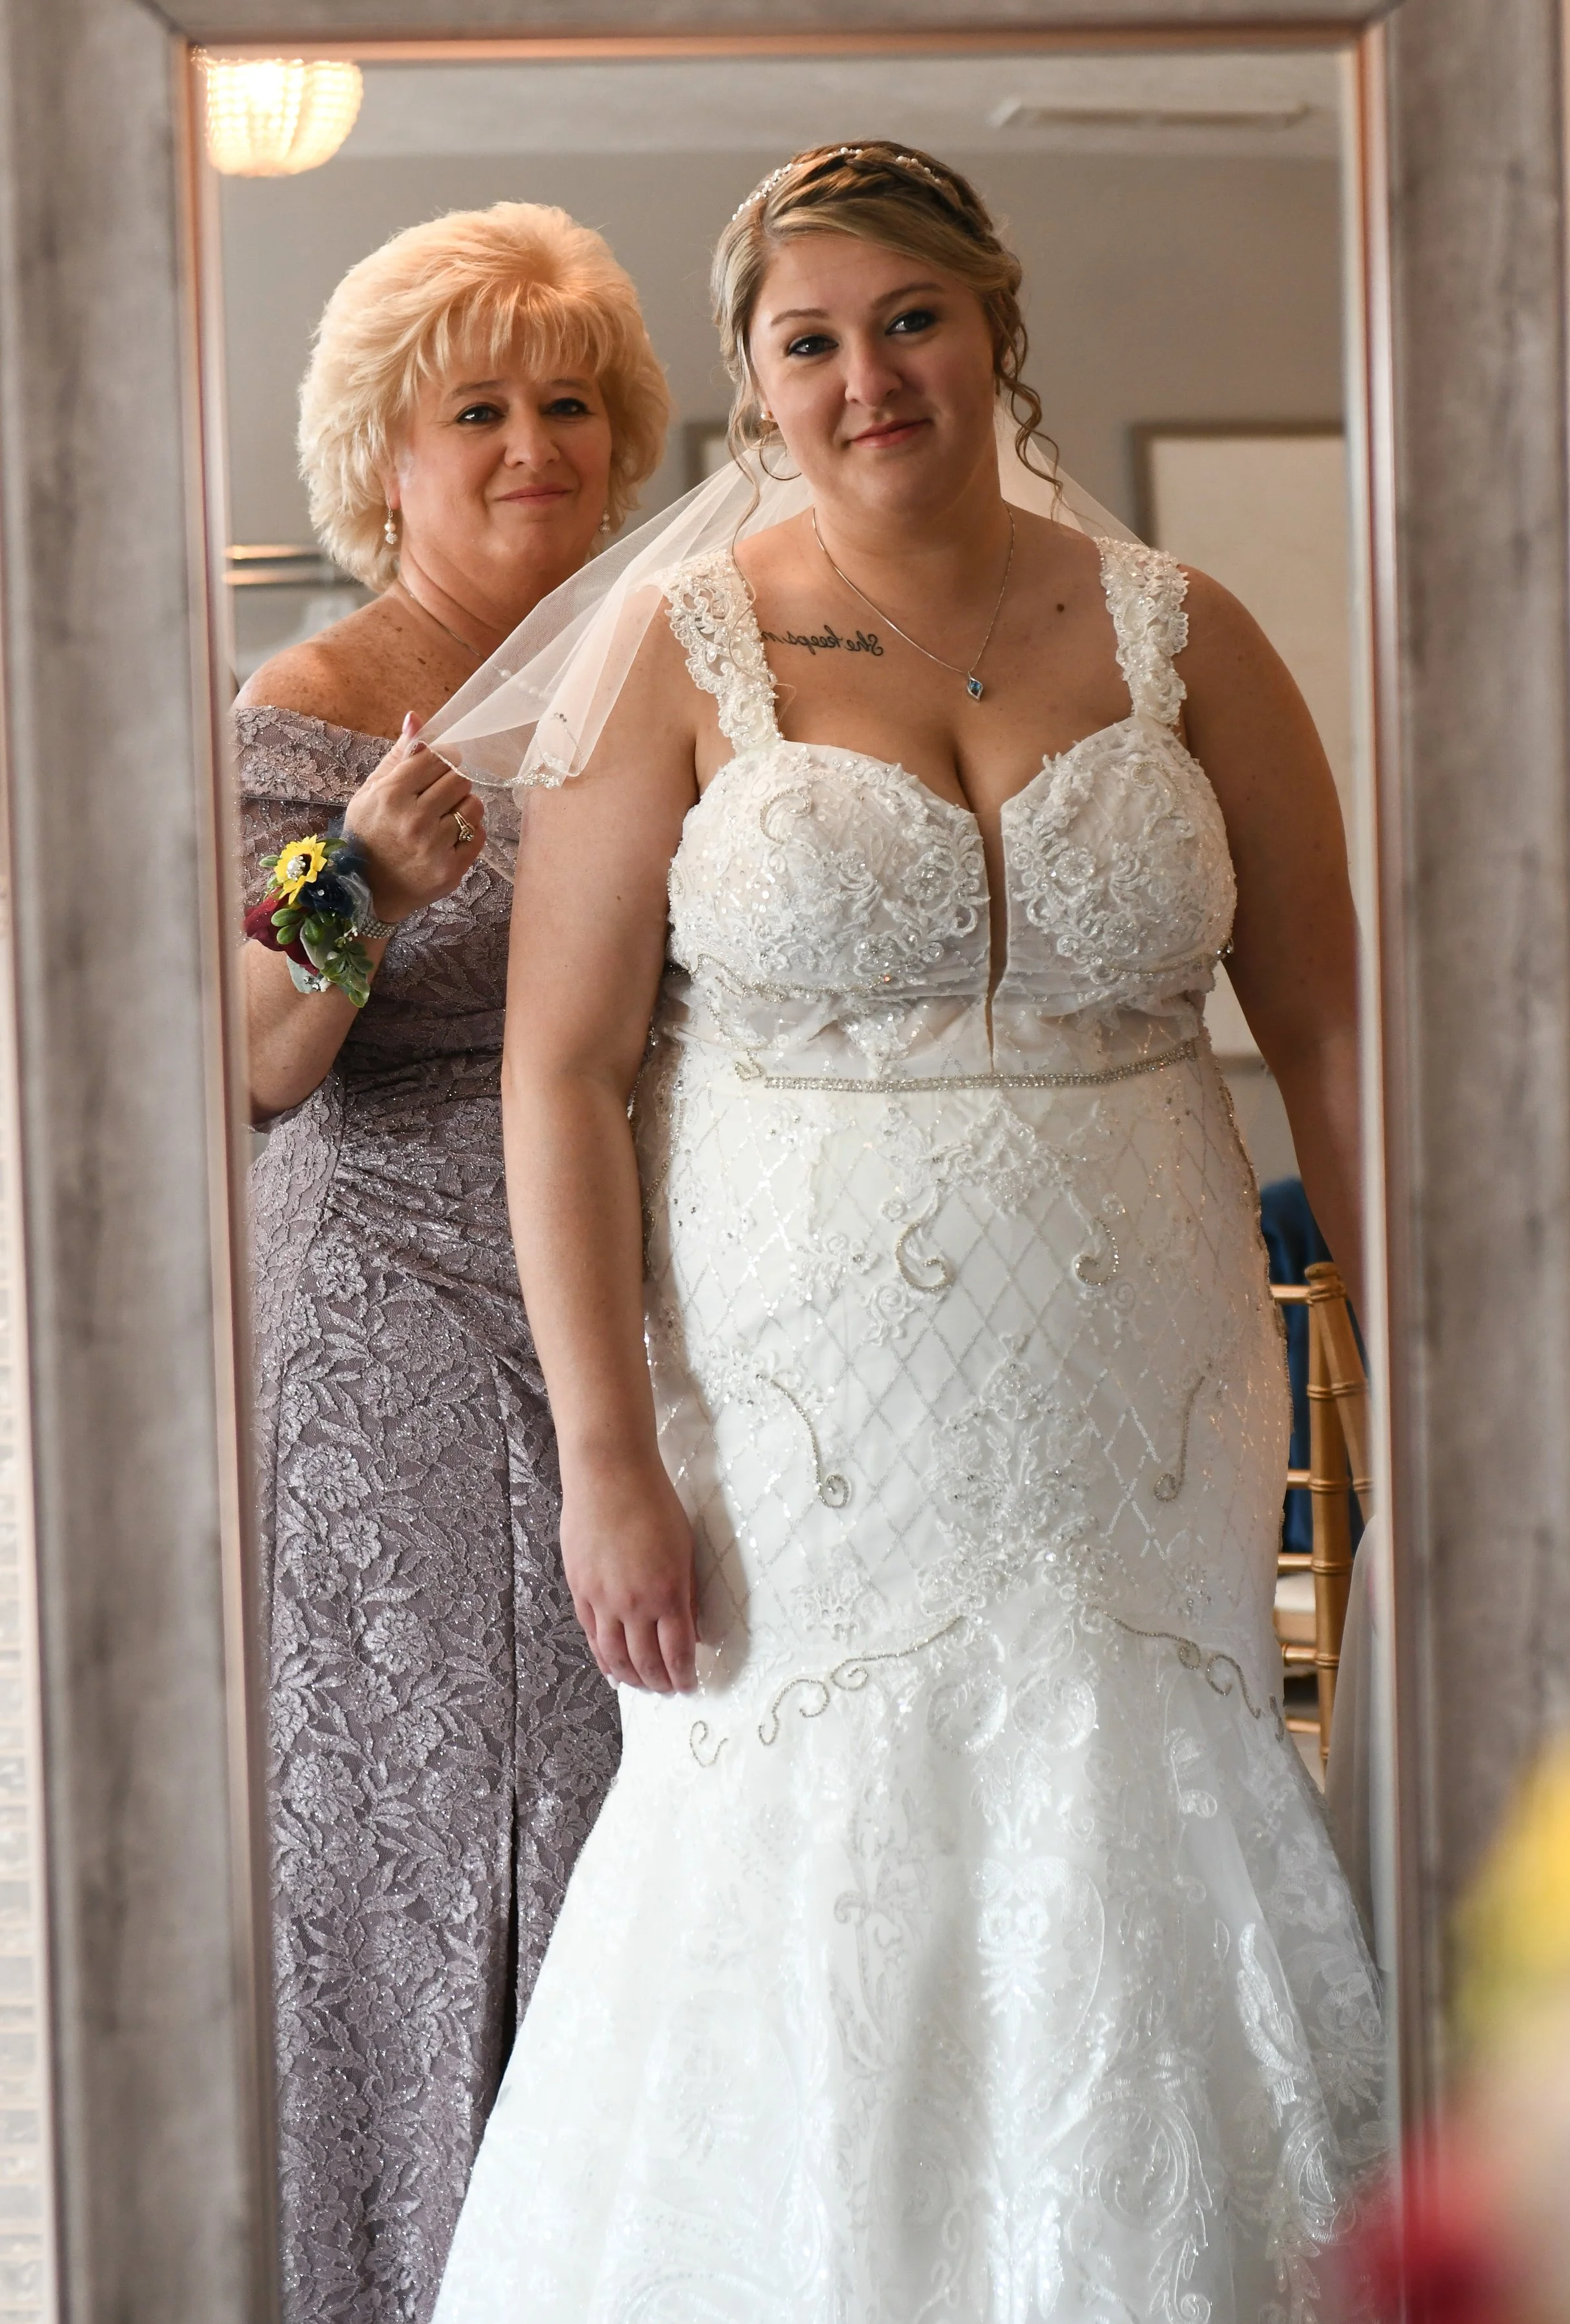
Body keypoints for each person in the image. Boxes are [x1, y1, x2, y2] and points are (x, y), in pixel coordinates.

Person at [429, 143, 1384, 2321]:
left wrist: (1430, 1363)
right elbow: (557, 1073)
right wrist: (608, 1454)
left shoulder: (1183, 634)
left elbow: (1337, 1042)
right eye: (809, 340)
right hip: (795, 1394)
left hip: (1140, 1367)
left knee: (1136, 1805)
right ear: (758, 385)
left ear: (993, 324)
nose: (868, 374)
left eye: (910, 320)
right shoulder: (675, 655)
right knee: (799, 1839)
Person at [236, 200, 669, 2324]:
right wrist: (362, 882)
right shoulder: (310, 699)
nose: (531, 445)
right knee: (444, 1829)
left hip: (630, 1297)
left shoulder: (661, 662)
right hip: (388, 1317)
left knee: (636, 1805)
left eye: (569, 401)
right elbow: (249, 1060)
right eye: (475, 407)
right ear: (382, 464)